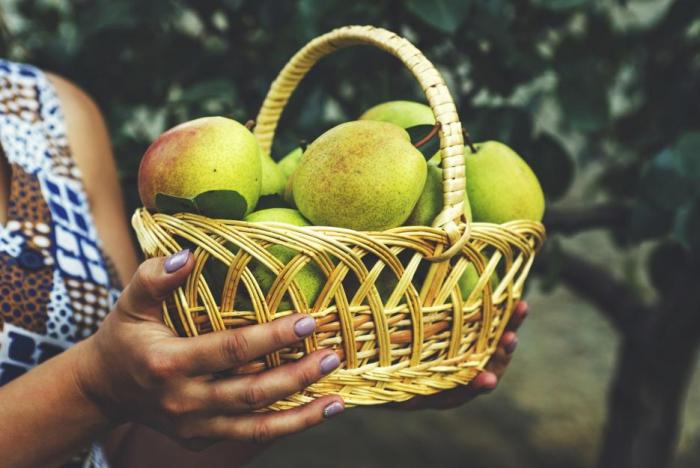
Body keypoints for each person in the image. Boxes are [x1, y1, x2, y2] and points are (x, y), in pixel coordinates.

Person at [0, 58, 527, 467]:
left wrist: (324, 373)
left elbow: (125, 451)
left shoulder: (56, 115)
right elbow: (107, 387)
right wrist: (94, 384)